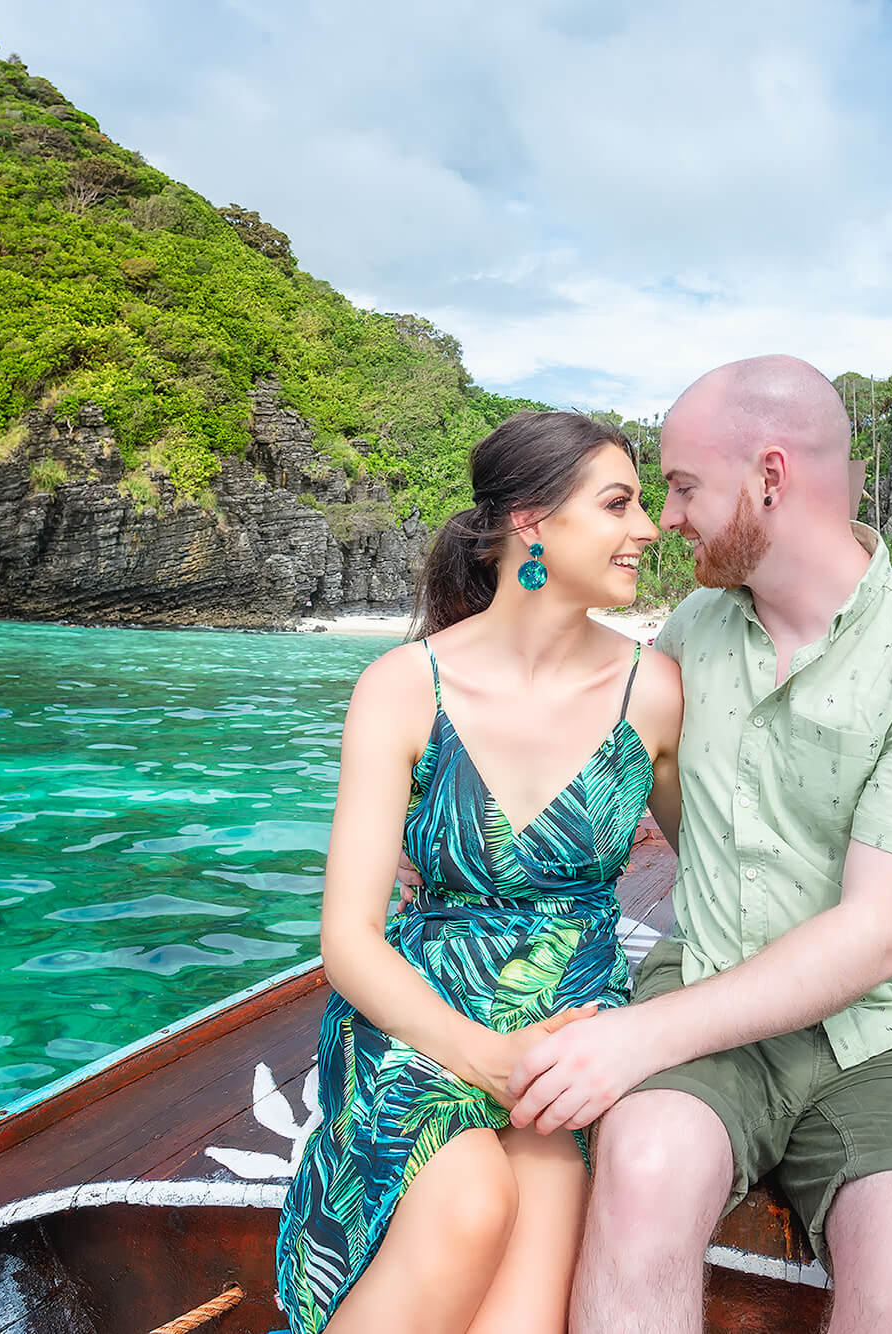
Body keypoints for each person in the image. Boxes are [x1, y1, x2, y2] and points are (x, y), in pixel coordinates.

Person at [508, 356, 892, 1333]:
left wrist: (629, 1037)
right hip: (708, 973)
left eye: (681, 486)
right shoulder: (686, 635)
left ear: (769, 475)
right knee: (644, 1166)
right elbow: (630, 796)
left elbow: (877, 937)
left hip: (891, 1032)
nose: (664, 518)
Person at [275, 412, 683, 1334]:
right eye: (619, 504)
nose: (649, 528)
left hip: (568, 1034)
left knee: (524, 1313)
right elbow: (347, 940)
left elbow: (731, 863)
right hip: (421, 1018)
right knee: (467, 1211)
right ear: (532, 525)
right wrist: (489, 1058)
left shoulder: (651, 692)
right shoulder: (402, 686)